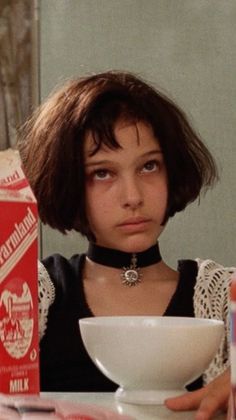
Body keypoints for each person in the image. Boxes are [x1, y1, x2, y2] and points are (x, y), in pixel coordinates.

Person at [18, 71, 234, 419]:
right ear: (69, 182)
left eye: (149, 166)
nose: (133, 197)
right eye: (103, 173)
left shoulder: (223, 294)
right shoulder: (29, 294)